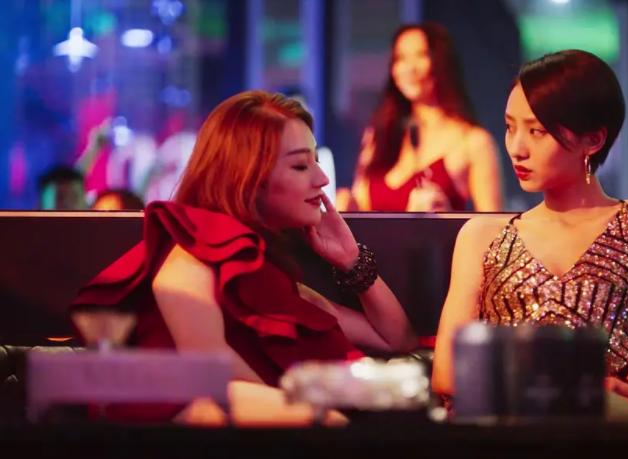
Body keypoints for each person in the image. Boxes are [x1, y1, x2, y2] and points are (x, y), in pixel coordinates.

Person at [69, 90, 418, 424]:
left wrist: (351, 260)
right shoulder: (194, 250)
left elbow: (396, 339)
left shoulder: (269, 273)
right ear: (248, 176)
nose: (322, 178)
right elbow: (211, 377)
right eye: (301, 165)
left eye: (315, 160)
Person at [431, 50, 628, 416]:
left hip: (615, 427)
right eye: (510, 127)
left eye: (536, 131)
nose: (516, 148)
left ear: (593, 140)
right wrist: (578, 390)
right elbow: (446, 373)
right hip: (509, 424)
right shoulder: (482, 235)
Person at [342, 22, 502, 212]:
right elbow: (361, 207)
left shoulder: (473, 142)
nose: (410, 68)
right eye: (401, 58)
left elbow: (493, 225)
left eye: (421, 55)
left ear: (441, 62)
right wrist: (346, 203)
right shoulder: (378, 134)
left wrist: (442, 217)